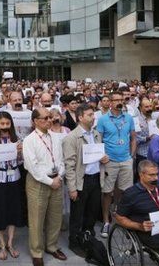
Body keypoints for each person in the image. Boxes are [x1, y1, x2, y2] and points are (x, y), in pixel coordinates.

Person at [62, 103, 108, 257]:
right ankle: (74, 242)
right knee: (77, 215)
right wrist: (72, 188)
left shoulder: (96, 134)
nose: (93, 117)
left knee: (92, 212)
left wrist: (103, 159)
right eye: (89, 115)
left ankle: (87, 236)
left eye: (93, 114)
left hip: (95, 179)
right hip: (81, 181)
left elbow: (98, 154)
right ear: (80, 117)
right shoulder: (71, 138)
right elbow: (69, 165)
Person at [23, 108, 67, 266]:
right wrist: (50, 181)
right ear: (35, 121)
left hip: (57, 180)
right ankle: (36, 252)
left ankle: (52, 246)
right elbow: (32, 167)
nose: (50, 120)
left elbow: (61, 161)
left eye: (51, 117)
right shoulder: (29, 140)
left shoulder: (56, 137)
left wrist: (59, 176)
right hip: (38, 183)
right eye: (45, 118)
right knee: (36, 219)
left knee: (55, 217)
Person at [96, 91, 136, 238]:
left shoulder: (129, 118)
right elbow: (98, 140)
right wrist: (101, 155)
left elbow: (133, 137)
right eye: (116, 100)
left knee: (124, 191)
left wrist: (131, 155)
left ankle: (119, 217)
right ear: (110, 102)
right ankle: (106, 221)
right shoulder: (103, 119)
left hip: (126, 160)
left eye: (121, 99)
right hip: (110, 161)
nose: (120, 102)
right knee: (107, 192)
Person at [0, 111, 23, 260]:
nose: (5, 126)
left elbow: (20, 162)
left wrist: (20, 153)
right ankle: (1, 244)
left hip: (14, 177)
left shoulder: (17, 138)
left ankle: (10, 243)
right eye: (2, 123)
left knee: (13, 211)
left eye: (7, 123)